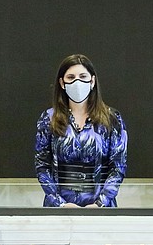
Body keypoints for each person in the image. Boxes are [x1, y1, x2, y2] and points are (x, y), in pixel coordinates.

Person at [34, 54, 127, 207]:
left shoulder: (112, 119)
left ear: (92, 81)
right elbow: (42, 165)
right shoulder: (48, 119)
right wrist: (61, 204)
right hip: (59, 208)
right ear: (62, 83)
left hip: (101, 209)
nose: (77, 81)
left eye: (83, 76)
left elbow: (118, 167)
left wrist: (100, 203)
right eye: (71, 77)